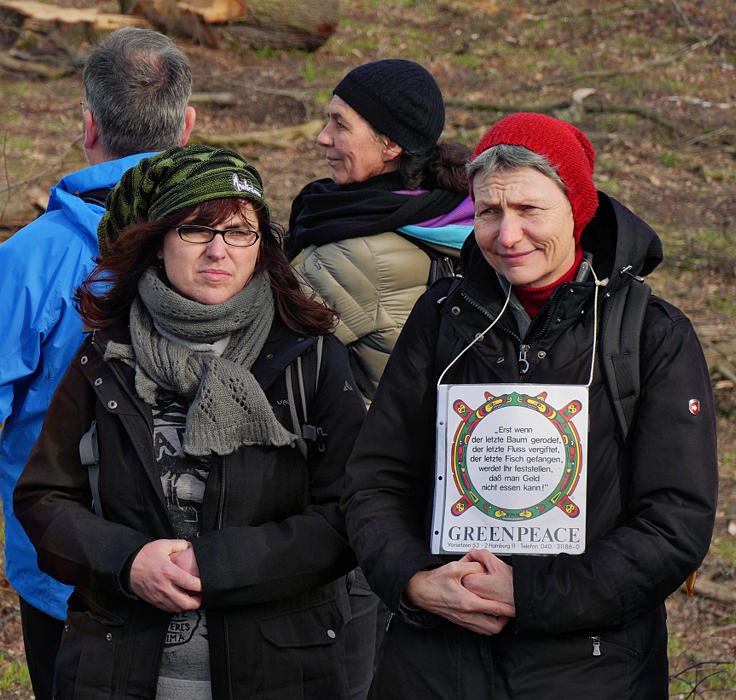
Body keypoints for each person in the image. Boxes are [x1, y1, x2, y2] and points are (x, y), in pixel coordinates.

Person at [342, 112, 718, 699]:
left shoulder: (649, 334)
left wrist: (529, 594)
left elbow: (674, 521)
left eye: (528, 210)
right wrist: (414, 581)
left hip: (589, 671)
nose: (507, 235)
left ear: (579, 208)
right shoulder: (442, 317)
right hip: (436, 665)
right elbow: (375, 482)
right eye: (489, 212)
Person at [14, 144, 366, 698]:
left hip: (278, 672)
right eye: (196, 231)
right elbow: (44, 499)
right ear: (157, 246)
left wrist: (222, 564)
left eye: (239, 232)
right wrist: (127, 562)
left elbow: (349, 512)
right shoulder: (104, 357)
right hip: (118, 671)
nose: (218, 251)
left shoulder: (309, 358)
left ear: (261, 246)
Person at [0, 27, 195, 700]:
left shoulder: (31, 258)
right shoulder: (233, 244)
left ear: (88, 125)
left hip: (64, 573)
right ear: (187, 126)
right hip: (202, 562)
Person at [287, 58, 474, 403]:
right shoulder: (455, 210)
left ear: (390, 145)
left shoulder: (352, 255)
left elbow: (265, 345)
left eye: (340, 125)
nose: (322, 137)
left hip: (363, 450)